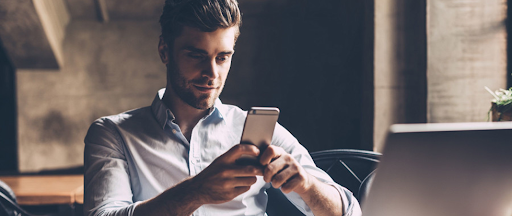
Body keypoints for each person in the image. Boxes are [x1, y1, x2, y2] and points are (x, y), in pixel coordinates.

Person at [83, 0, 362, 215]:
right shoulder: (112, 134)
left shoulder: (257, 130)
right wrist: (196, 191)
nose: (212, 73)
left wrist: (307, 185)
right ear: (164, 51)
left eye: (223, 57)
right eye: (197, 55)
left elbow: (349, 211)